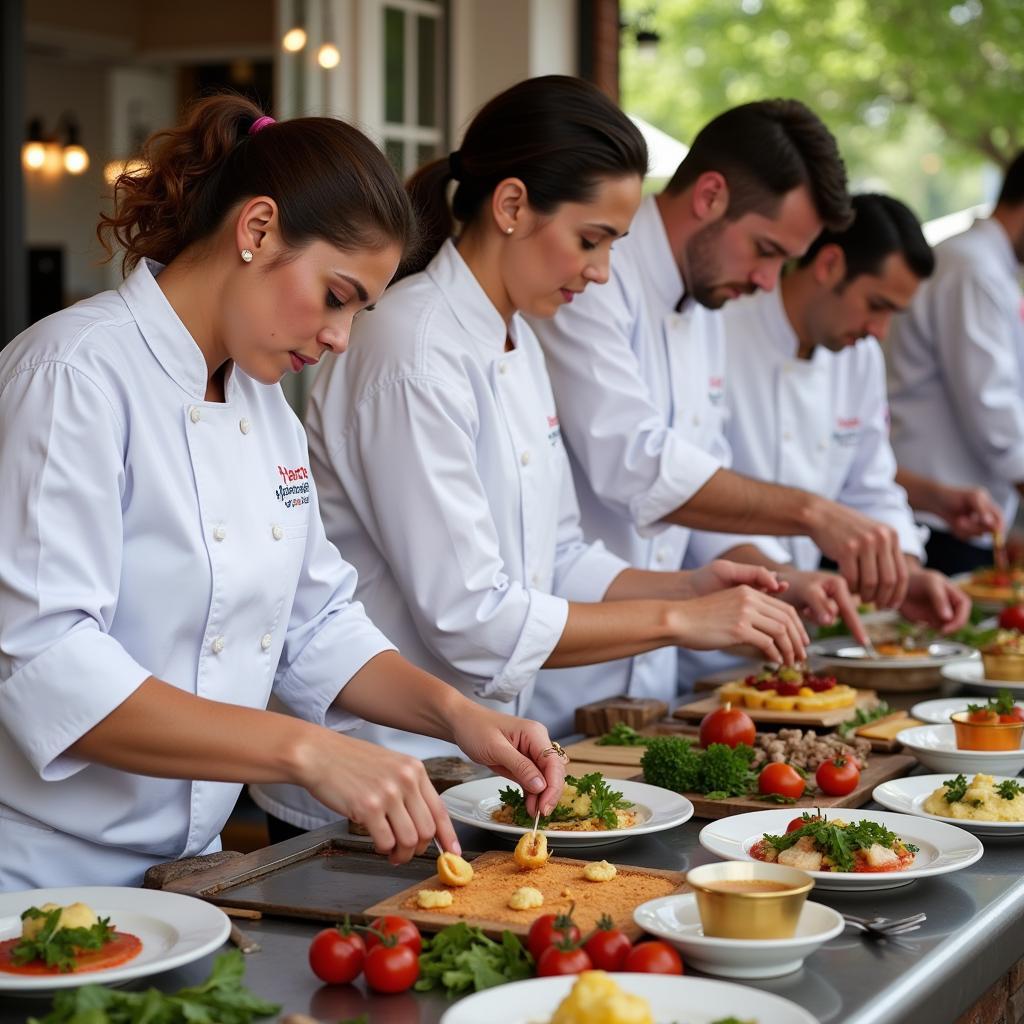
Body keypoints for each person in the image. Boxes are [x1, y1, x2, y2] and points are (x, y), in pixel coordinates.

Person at [0, 94, 568, 891]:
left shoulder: (263, 407)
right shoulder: (72, 374)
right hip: (41, 875)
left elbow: (316, 623)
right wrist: (305, 749)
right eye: (337, 297)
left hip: (194, 875)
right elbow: (49, 665)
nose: (340, 338)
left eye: (359, 311)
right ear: (257, 228)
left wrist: (461, 719)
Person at [249, 76, 808, 837]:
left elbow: (563, 554)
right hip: (369, 775)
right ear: (511, 206)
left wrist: (694, 581)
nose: (603, 271)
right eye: (591, 239)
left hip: (467, 766)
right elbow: (472, 618)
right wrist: (682, 617)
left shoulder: (516, 336)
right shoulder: (412, 348)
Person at [528, 100, 912, 732]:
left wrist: (781, 578)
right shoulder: (594, 277)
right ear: (709, 195)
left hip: (655, 677)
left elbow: (699, 501)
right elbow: (638, 468)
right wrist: (814, 515)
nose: (767, 281)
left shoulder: (706, 308)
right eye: (764, 250)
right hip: (559, 677)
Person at [699, 194, 972, 641]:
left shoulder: (859, 356)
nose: (879, 332)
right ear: (828, 264)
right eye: (876, 305)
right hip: (707, 629)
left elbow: (870, 484)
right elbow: (697, 500)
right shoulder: (721, 332)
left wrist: (902, 574)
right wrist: (784, 574)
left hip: (796, 628)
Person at [887, 150, 1024, 576]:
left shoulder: (985, 266)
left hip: (958, 512)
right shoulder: (972, 267)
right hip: (940, 517)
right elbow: (991, 407)